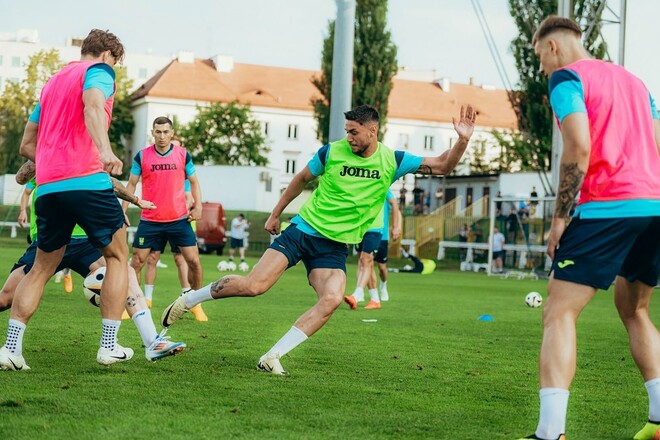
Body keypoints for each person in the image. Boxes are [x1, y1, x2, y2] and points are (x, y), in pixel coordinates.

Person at [160, 103, 476, 375]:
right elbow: (299, 180)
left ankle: (272, 357)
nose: (348, 137)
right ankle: (189, 299)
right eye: (346, 131)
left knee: (332, 299)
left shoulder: (393, 160)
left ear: (372, 131)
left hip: (334, 246)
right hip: (303, 231)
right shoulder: (331, 152)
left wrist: (461, 140)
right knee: (254, 286)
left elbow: (444, 164)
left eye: (354, 132)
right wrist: (275, 213)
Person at [516, 16, 660, 440]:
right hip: (653, 206)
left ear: (553, 46)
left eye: (539, 56)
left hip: (608, 208)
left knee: (559, 312)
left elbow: (578, 145)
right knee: (634, 310)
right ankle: (658, 422)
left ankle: (549, 433)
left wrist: (560, 218)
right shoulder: (636, 82)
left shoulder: (565, 78)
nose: (541, 66)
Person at [0, 29, 134, 371]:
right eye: (116, 61)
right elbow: (92, 105)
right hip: (87, 181)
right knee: (118, 257)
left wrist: (51, 161)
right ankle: (108, 346)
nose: (114, 67)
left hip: (48, 188)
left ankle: (11, 350)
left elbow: (27, 144)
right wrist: (104, 150)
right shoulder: (99, 72)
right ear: (107, 55)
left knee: (41, 268)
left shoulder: (52, 82)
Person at [123, 116, 207, 322]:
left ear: (172, 133)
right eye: (158, 132)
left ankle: (196, 303)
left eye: (165, 132)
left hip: (179, 220)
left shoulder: (183, 155)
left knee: (194, 261)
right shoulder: (142, 156)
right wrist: (122, 210)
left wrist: (198, 206)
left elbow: (194, 182)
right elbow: (131, 185)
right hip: (150, 220)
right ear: (153, 133)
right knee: (137, 263)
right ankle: (132, 304)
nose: (162, 136)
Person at [344, 190, 401, 310]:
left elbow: (395, 204)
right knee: (364, 262)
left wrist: (396, 226)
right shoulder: (359, 184)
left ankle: (359, 294)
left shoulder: (381, 183)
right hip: (360, 228)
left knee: (374, 264)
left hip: (375, 229)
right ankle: (374, 298)